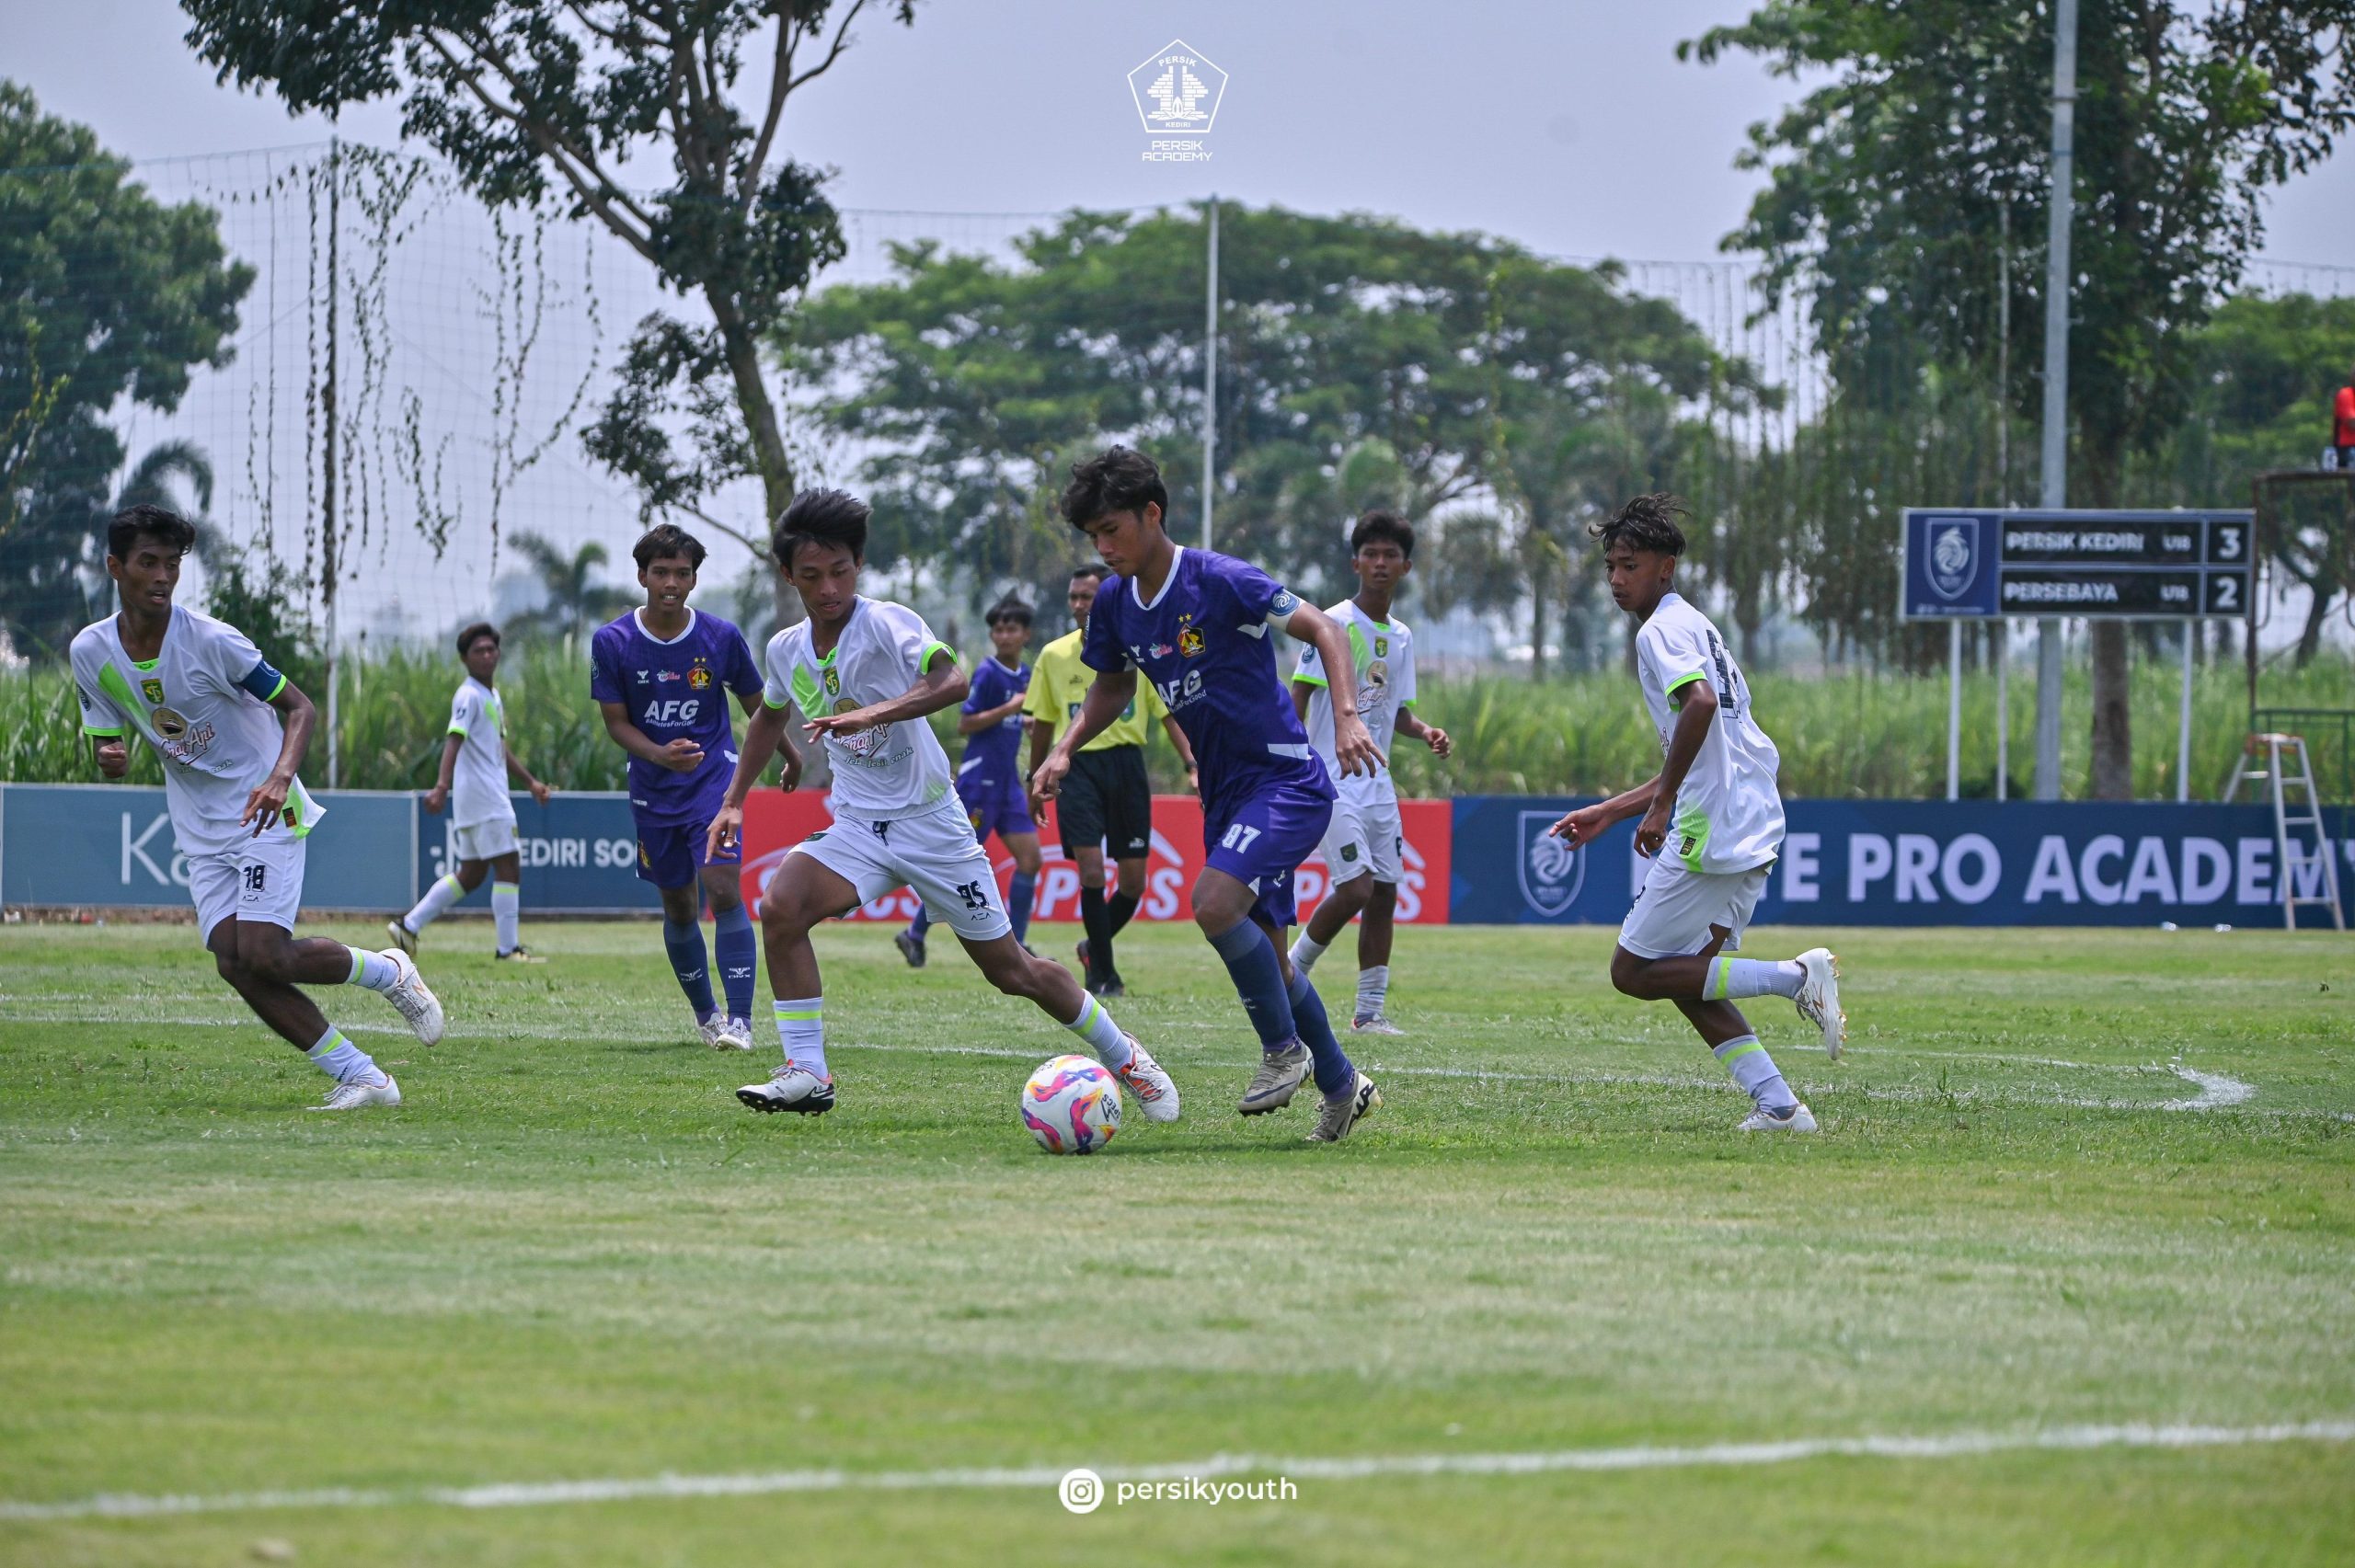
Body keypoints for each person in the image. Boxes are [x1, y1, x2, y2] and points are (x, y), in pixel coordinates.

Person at [707, 487, 1178, 1120]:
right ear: (788, 574)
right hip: (857, 826)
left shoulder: (884, 622)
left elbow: (950, 679)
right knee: (781, 905)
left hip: (932, 823)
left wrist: (876, 710)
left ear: (859, 566)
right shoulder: (786, 646)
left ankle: (1128, 1059)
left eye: (841, 572)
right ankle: (807, 1072)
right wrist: (735, 799)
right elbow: (769, 714)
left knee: (1012, 970)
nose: (828, 588)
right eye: (812, 576)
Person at [1032, 446, 1384, 1143]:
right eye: (1093, 536)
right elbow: (1110, 685)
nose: (1104, 549)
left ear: (1152, 513)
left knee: (1213, 902)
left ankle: (1284, 1053)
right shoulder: (1113, 602)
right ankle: (1343, 1087)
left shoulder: (1219, 579)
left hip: (1284, 778)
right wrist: (1064, 749)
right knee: (1273, 961)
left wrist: (1345, 712)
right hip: (1224, 795)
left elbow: (1327, 627)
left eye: (1114, 530)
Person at [70, 505, 443, 1110]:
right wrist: (109, 752)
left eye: (172, 563)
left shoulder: (213, 642)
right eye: (148, 563)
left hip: (266, 806)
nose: (162, 576)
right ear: (116, 567)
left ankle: (388, 972)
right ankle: (366, 1077)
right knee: (234, 962)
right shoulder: (91, 651)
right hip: (198, 823)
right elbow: (105, 732)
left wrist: (278, 777)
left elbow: (301, 708)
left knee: (265, 952)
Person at [1547, 494, 1844, 1133]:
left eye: (1629, 564)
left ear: (1666, 566)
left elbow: (1701, 706)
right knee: (1690, 976)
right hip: (1749, 810)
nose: (1617, 579)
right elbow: (1709, 739)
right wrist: (1613, 810)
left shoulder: (1660, 632)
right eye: (1610, 567)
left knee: (1631, 970)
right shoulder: (1696, 625)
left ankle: (1796, 977)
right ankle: (1781, 1108)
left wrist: (1658, 808)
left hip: (1715, 819)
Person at [590, 524, 770, 1051]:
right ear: (643, 576)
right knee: (679, 906)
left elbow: (760, 707)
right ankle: (706, 1015)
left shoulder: (720, 636)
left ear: (693, 580)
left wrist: (788, 753)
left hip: (715, 785)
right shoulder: (613, 642)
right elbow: (616, 722)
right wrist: (658, 754)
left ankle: (741, 1021)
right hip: (652, 792)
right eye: (661, 572)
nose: (672, 582)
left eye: (682, 573)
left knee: (722, 889)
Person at [1288, 510, 1452, 1034]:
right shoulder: (1329, 624)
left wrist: (1424, 731)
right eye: (1371, 554)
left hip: (1378, 783)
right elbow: (1299, 698)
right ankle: (1291, 972)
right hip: (1330, 778)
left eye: (1391, 556)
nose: (1380, 564)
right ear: (1356, 561)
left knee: (1384, 893)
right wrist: (1286, 765)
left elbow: (1394, 710)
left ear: (1406, 566)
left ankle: (1369, 1013)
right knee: (1355, 888)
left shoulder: (1401, 636)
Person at [1025, 562, 1198, 996]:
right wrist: (1036, 775)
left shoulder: (1137, 649)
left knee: (1134, 882)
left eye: (1089, 596)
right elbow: (1044, 721)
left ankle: (1091, 948)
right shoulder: (1053, 655)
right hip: (1077, 767)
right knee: (1091, 872)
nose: (1080, 605)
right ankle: (1104, 974)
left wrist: (1193, 764)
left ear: (1108, 598)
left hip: (1126, 767)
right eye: (1074, 597)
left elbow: (1169, 714)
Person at [388, 621, 553, 961]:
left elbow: (498, 748)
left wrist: (530, 781)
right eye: (478, 651)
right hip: (484, 797)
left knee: (472, 873)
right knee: (509, 865)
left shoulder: (491, 695)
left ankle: (409, 924)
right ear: (465, 659)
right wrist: (441, 786)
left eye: (492, 649)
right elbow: (454, 739)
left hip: (479, 798)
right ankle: (508, 950)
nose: (487, 655)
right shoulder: (468, 695)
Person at [895, 595, 1042, 967]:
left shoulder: (1026, 674)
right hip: (980, 780)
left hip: (1007, 781)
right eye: (998, 629)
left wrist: (1023, 720)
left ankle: (1020, 943)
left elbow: (1016, 718)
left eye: (1012, 629)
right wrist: (1012, 709)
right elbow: (967, 722)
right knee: (956, 863)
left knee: (1031, 859)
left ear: (1026, 634)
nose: (1004, 635)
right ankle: (914, 933)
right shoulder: (990, 672)